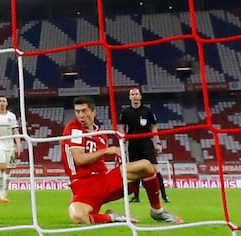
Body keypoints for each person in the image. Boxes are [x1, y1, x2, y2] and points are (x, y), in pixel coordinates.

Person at [61, 95, 182, 225]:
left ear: (93, 112)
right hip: (83, 186)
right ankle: (112, 218)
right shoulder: (74, 129)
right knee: (78, 216)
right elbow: (79, 159)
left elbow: (98, 163)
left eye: (84, 111)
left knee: (146, 166)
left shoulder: (101, 134)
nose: (80, 115)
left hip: (103, 180)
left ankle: (157, 211)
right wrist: (106, 151)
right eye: (77, 112)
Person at [117, 87, 170, 203]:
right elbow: (123, 128)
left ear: (140, 96)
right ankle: (136, 196)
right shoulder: (125, 112)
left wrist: (158, 142)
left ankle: (164, 196)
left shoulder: (147, 111)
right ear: (130, 97)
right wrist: (123, 139)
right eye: (132, 94)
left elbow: (153, 127)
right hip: (133, 144)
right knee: (135, 171)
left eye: (136, 94)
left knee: (155, 169)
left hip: (146, 143)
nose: (135, 96)